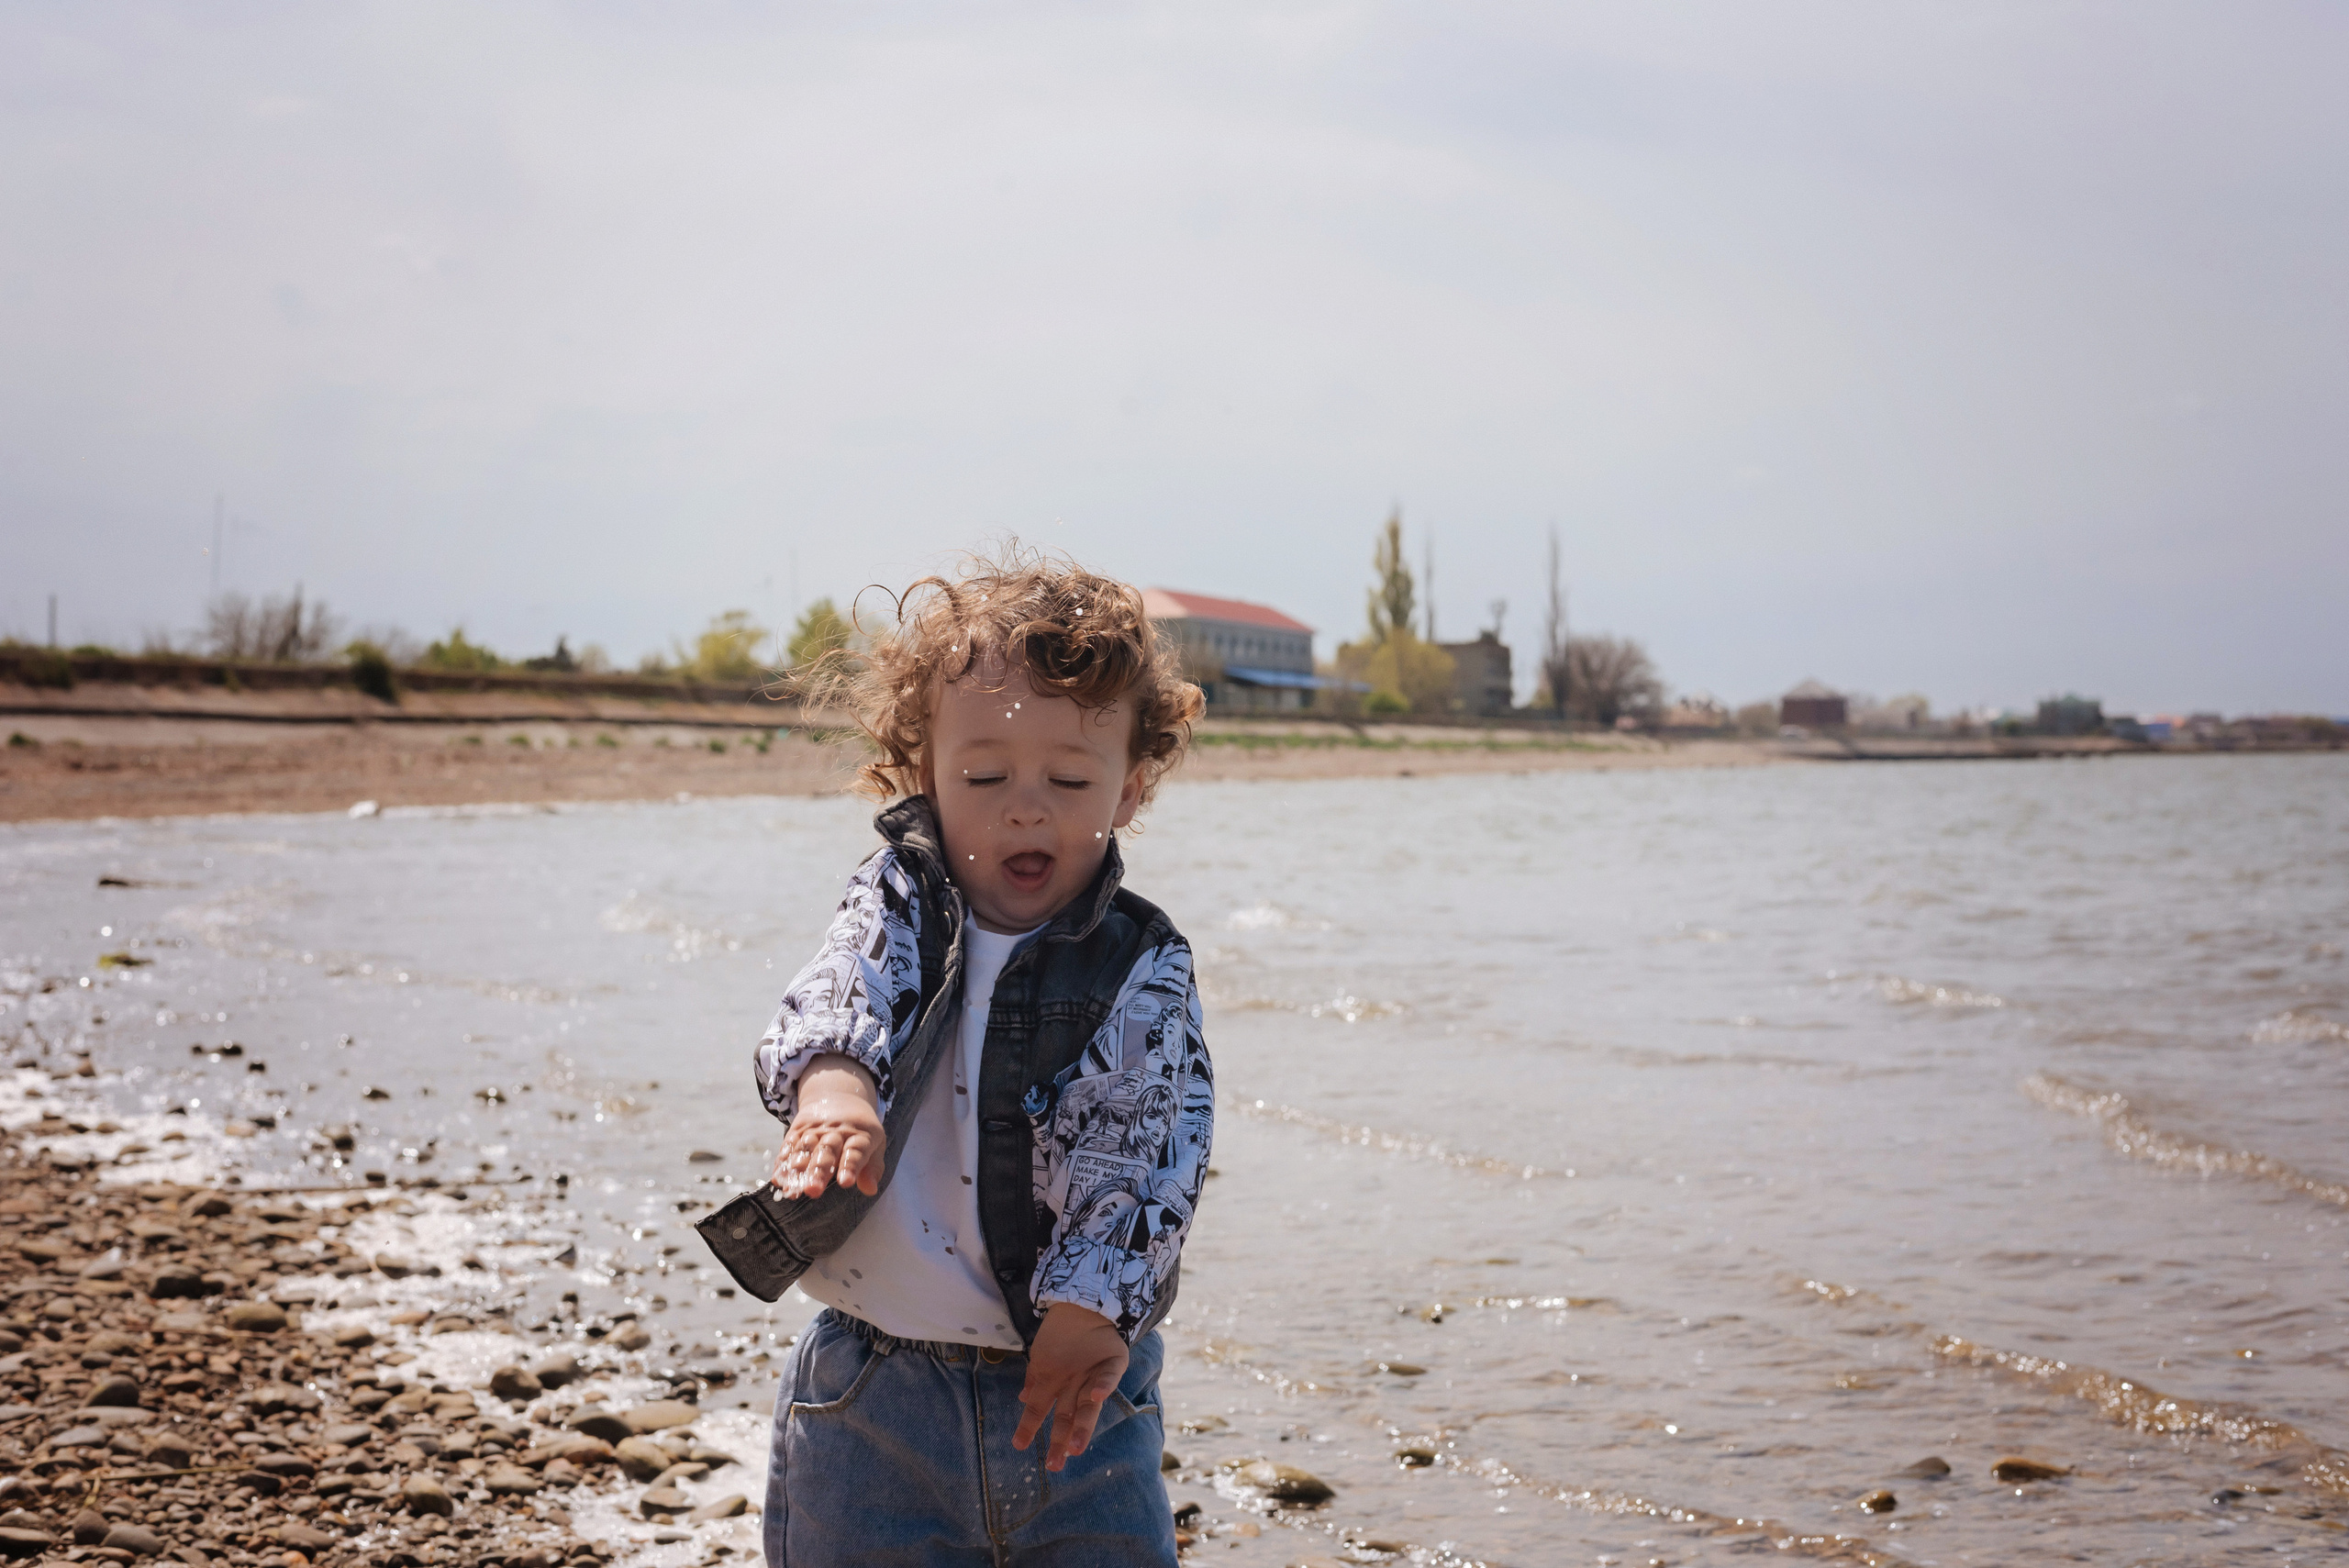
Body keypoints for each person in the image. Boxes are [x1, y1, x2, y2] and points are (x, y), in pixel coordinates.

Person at [750, 547, 1213, 1566]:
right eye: (986, 775)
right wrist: (836, 1083)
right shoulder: (899, 900)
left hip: (1074, 1386)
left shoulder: (1139, 963)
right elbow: (840, 985)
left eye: (1069, 777)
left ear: (1131, 785)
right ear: (924, 773)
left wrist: (1095, 1303)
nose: (1025, 806)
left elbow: (1144, 1140)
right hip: (873, 1387)